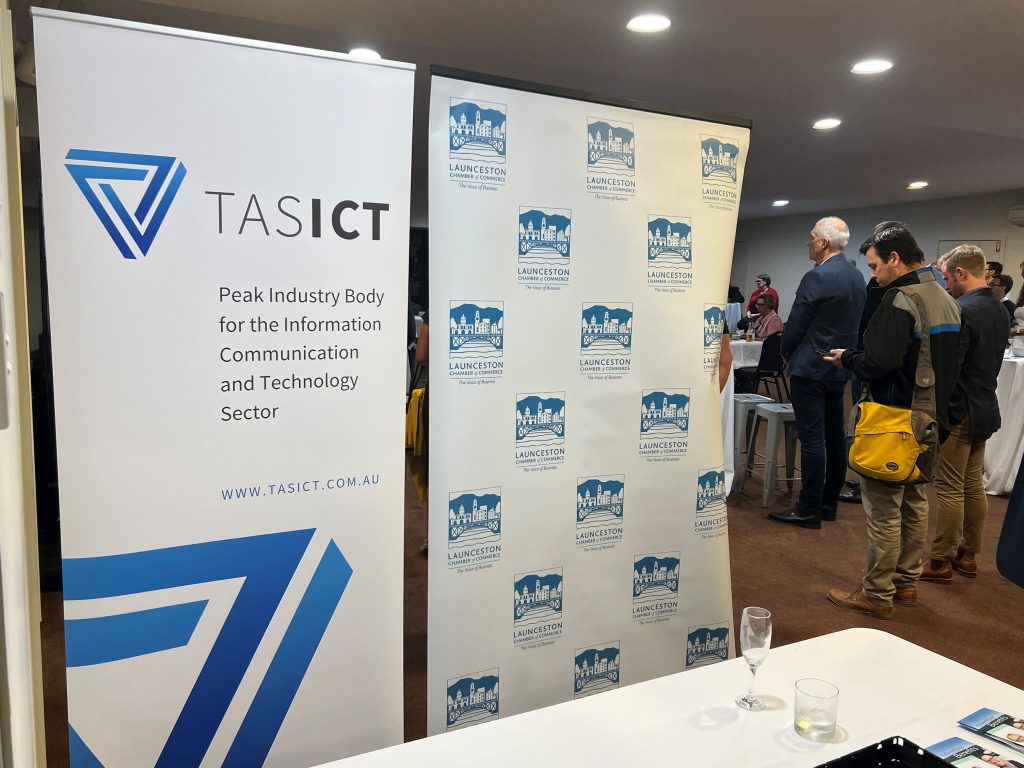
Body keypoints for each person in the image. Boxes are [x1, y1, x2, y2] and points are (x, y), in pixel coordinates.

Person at [823, 223, 961, 618]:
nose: (874, 275)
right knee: (915, 502)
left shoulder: (901, 299)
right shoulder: (946, 298)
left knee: (884, 509)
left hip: (894, 419)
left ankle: (877, 593)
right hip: (930, 418)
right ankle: (906, 583)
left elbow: (877, 362)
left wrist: (848, 358)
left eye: (874, 266)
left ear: (895, 259)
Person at [766, 217, 865, 529]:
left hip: (810, 366)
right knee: (835, 436)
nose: (808, 242)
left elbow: (796, 322)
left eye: (811, 237)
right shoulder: (856, 276)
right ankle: (827, 503)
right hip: (840, 365)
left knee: (811, 439)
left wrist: (785, 351)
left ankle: (808, 507)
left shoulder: (817, 276)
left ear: (823, 242)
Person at [921, 246, 1009, 583]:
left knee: (949, 487)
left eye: (946, 278)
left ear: (961, 273)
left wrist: (941, 411)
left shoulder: (963, 310)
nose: (946, 284)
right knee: (972, 484)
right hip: (986, 405)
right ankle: (968, 554)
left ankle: (941, 560)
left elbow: (952, 369)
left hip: (961, 410)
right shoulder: (1000, 309)